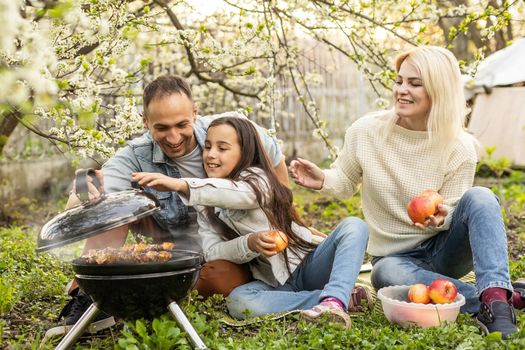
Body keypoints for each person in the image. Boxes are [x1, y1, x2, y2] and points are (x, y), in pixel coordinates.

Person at [289, 46, 523, 338]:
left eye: (414, 83)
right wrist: (322, 178)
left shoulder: (459, 146)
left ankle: (496, 308)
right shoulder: (366, 132)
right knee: (383, 275)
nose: (401, 90)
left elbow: (454, 207)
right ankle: (498, 296)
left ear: (438, 90)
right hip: (395, 259)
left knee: (482, 196)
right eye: (399, 81)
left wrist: (442, 217)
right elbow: (345, 181)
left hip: (444, 250)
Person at [50, 75, 289, 335]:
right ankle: (91, 294)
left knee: (220, 279)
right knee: (114, 206)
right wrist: (82, 188)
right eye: (162, 128)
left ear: (195, 113)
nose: (174, 137)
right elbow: (86, 201)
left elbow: (274, 160)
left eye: (181, 125)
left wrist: (285, 223)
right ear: (145, 121)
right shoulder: (136, 155)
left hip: (223, 246)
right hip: (170, 244)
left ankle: (136, 289)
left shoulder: (228, 130)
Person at [132, 116, 374, 329]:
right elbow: (213, 251)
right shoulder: (203, 203)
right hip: (274, 283)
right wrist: (249, 243)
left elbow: (240, 194)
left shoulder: (258, 180)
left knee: (354, 225)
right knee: (240, 302)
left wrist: (181, 184)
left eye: (222, 148)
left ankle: (334, 298)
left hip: (310, 265)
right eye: (207, 147)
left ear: (244, 151)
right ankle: (336, 299)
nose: (211, 155)